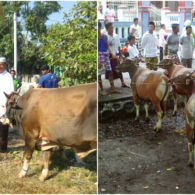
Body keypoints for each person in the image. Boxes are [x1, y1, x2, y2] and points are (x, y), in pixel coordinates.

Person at [98, 21, 120, 94]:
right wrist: (97, 60)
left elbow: (107, 46)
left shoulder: (105, 36)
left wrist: (112, 54)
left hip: (106, 54)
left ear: (100, 27)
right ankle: (102, 89)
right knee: (99, 73)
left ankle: (112, 88)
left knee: (110, 71)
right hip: (99, 55)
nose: (97, 28)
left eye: (98, 26)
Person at [105, 22, 129, 88]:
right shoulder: (106, 37)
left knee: (119, 70)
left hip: (116, 55)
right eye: (110, 28)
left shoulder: (116, 36)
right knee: (110, 71)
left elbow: (119, 46)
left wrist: (121, 55)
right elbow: (106, 47)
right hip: (109, 56)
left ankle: (123, 83)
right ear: (107, 29)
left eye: (112, 27)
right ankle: (112, 86)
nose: (112, 29)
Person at [0, 57, 14, 152]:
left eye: (2, 64)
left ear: (5, 65)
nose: (0, 66)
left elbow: (11, 92)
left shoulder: (8, 76)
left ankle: (3, 147)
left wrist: (7, 104)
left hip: (4, 105)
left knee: (4, 127)